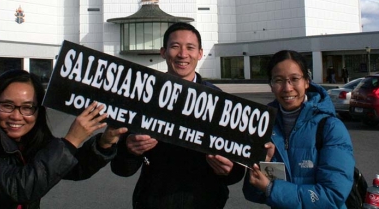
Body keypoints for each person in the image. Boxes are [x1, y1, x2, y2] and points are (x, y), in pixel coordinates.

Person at [0, 69, 127, 208]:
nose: (17, 116)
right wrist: (71, 141)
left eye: (28, 107)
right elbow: (18, 188)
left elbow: (68, 169)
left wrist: (104, 143)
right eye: (7, 105)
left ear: (38, 111)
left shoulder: (29, 139)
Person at [111, 22, 245, 209]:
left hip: (206, 202)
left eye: (190, 47)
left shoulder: (220, 101)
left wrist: (230, 170)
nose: (183, 54)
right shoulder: (142, 97)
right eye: (175, 46)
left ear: (200, 53)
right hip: (152, 202)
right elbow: (121, 169)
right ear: (163, 52)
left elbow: (236, 167)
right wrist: (129, 150)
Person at [243, 50, 355, 209]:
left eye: (294, 79)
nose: (287, 88)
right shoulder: (263, 126)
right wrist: (261, 164)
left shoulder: (331, 128)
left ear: (306, 82)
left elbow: (332, 195)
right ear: (271, 85)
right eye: (279, 80)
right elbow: (252, 193)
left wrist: (271, 188)